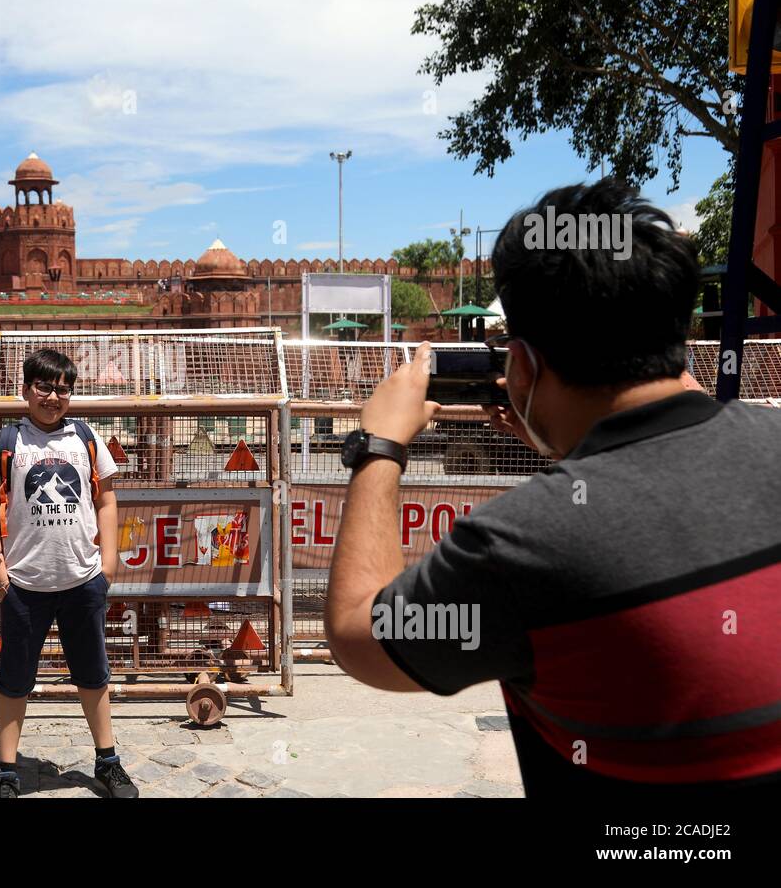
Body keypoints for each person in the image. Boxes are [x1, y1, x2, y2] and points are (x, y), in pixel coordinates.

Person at [324, 178, 781, 795]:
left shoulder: (518, 546)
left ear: (522, 365)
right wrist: (568, 444)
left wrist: (379, 447)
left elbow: (360, 637)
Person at [0, 348, 138, 798]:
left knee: (93, 673)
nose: (52, 396)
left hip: (82, 579)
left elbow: (106, 499)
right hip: (24, 585)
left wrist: (108, 563)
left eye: (63, 389)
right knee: (14, 678)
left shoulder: (84, 438)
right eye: (43, 387)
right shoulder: (7, 443)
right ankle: (6, 770)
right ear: (26, 389)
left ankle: (108, 761)